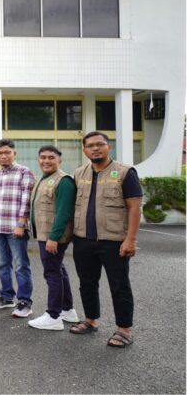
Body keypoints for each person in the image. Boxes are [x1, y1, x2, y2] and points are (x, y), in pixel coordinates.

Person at [68, 131, 141, 348]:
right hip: (83, 239)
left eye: (100, 144)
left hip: (114, 241)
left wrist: (131, 240)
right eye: (90, 145)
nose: (95, 148)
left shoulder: (125, 172)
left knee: (119, 286)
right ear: (84, 150)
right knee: (87, 284)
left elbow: (134, 207)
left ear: (108, 147)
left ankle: (124, 329)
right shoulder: (79, 173)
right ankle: (91, 320)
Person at [27, 145, 79, 330]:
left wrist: (54, 237)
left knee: (52, 273)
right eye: (43, 157)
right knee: (58, 269)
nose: (46, 161)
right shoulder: (43, 179)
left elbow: (64, 212)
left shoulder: (63, 181)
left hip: (52, 236)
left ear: (60, 160)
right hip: (44, 234)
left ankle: (53, 315)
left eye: (51, 157)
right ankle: (67, 309)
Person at [0, 139, 36, 318]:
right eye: (0, 153)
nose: (4, 156)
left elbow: (27, 201)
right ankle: (6, 297)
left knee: (21, 266)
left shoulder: (25, 172)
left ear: (14, 154)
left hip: (16, 228)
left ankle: (25, 302)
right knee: (2, 264)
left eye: (7, 152)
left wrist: (21, 224)